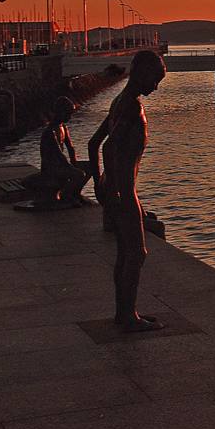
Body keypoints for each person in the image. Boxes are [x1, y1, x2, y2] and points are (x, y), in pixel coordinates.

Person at [88, 50, 167, 333]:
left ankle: (124, 311)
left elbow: (94, 143)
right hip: (123, 189)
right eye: (155, 80)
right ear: (142, 72)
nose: (155, 87)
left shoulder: (118, 102)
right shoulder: (131, 106)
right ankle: (127, 315)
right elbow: (108, 147)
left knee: (125, 252)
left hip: (117, 187)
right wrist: (117, 191)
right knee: (137, 253)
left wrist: (100, 181)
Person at [27, 96, 89, 208]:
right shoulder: (50, 132)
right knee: (79, 174)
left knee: (90, 167)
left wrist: (74, 161)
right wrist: (70, 167)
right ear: (60, 112)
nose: (70, 117)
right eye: (68, 114)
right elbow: (59, 155)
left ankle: (75, 193)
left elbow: (70, 147)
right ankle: (66, 195)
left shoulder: (63, 127)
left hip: (61, 165)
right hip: (52, 167)